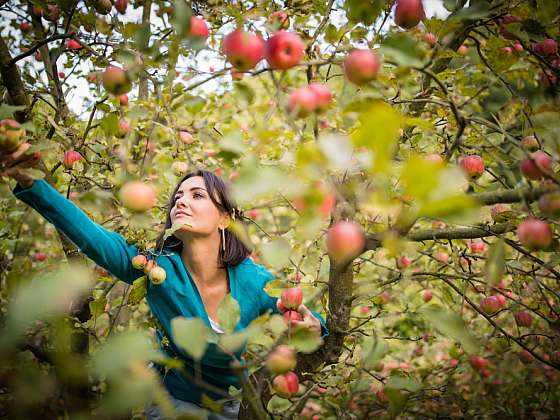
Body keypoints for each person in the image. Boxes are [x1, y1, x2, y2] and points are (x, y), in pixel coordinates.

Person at [0, 142, 328, 419]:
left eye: (197, 195)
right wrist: (32, 183)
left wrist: (314, 327)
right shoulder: (156, 269)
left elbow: (305, 317)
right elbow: (93, 238)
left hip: (232, 407)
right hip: (172, 405)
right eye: (178, 197)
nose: (181, 201)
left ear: (226, 217)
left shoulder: (255, 280)